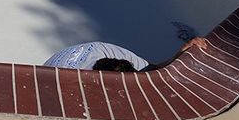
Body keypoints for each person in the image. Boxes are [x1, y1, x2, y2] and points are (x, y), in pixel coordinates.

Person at [43, 37, 208, 72]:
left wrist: (181, 52)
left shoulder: (113, 53)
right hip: (49, 75)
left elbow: (154, 70)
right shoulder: (69, 80)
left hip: (91, 50)